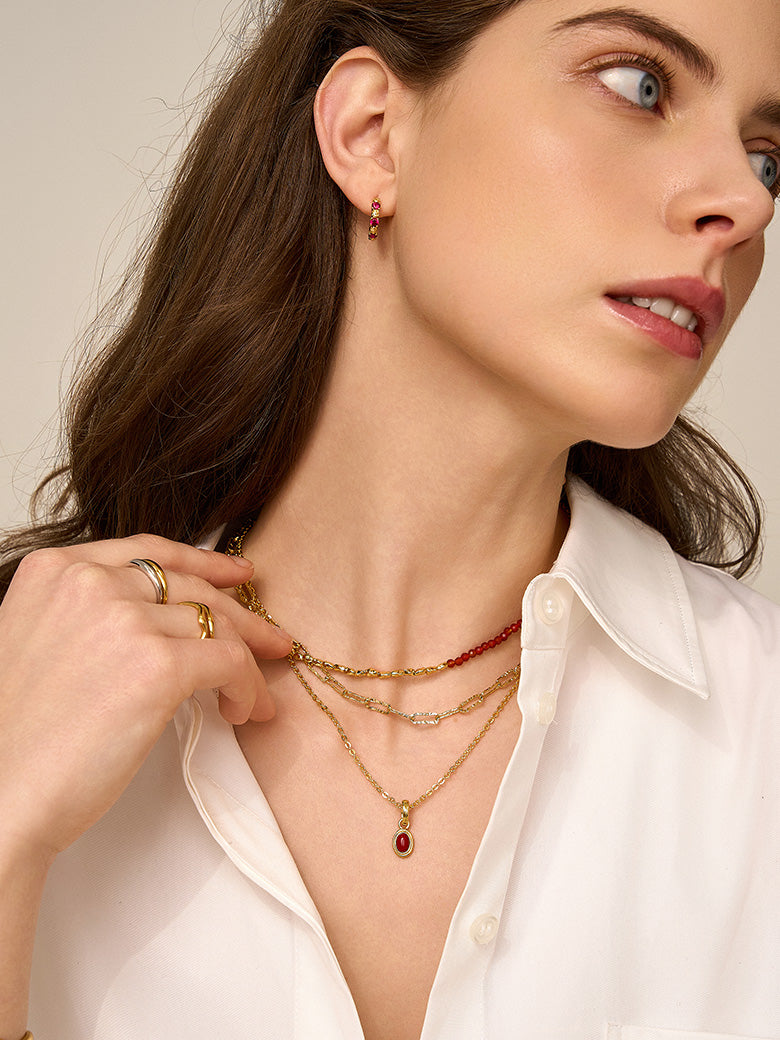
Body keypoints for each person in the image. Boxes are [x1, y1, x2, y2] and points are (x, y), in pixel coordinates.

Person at [1, 0, 779, 1037]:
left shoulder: (756, 740)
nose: (743, 201)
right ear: (372, 134)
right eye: (641, 84)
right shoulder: (25, 702)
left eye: (769, 157)